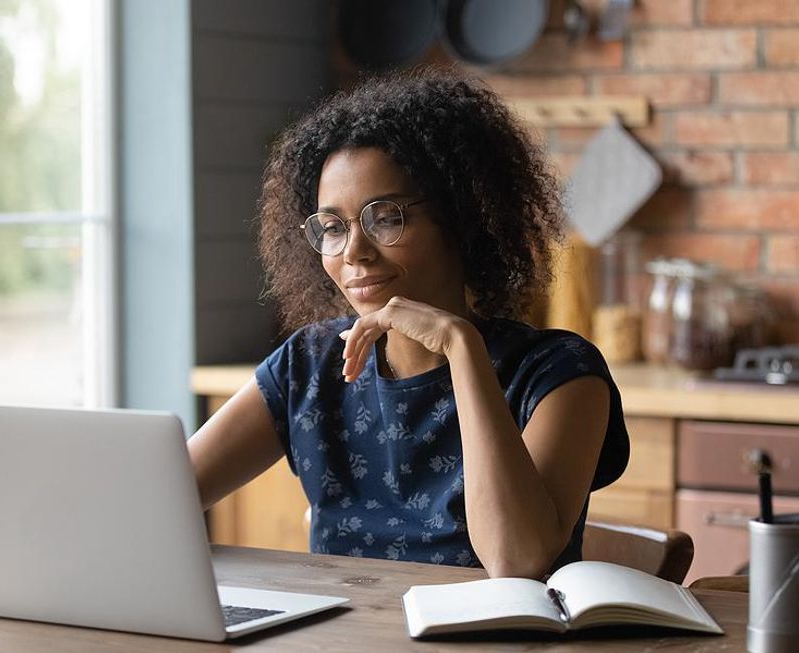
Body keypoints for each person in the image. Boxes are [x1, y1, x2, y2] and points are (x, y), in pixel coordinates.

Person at [188, 67, 629, 579]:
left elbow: (517, 559)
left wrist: (461, 348)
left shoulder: (559, 374)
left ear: (463, 220)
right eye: (332, 227)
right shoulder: (309, 364)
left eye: (386, 217)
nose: (354, 251)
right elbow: (160, 497)